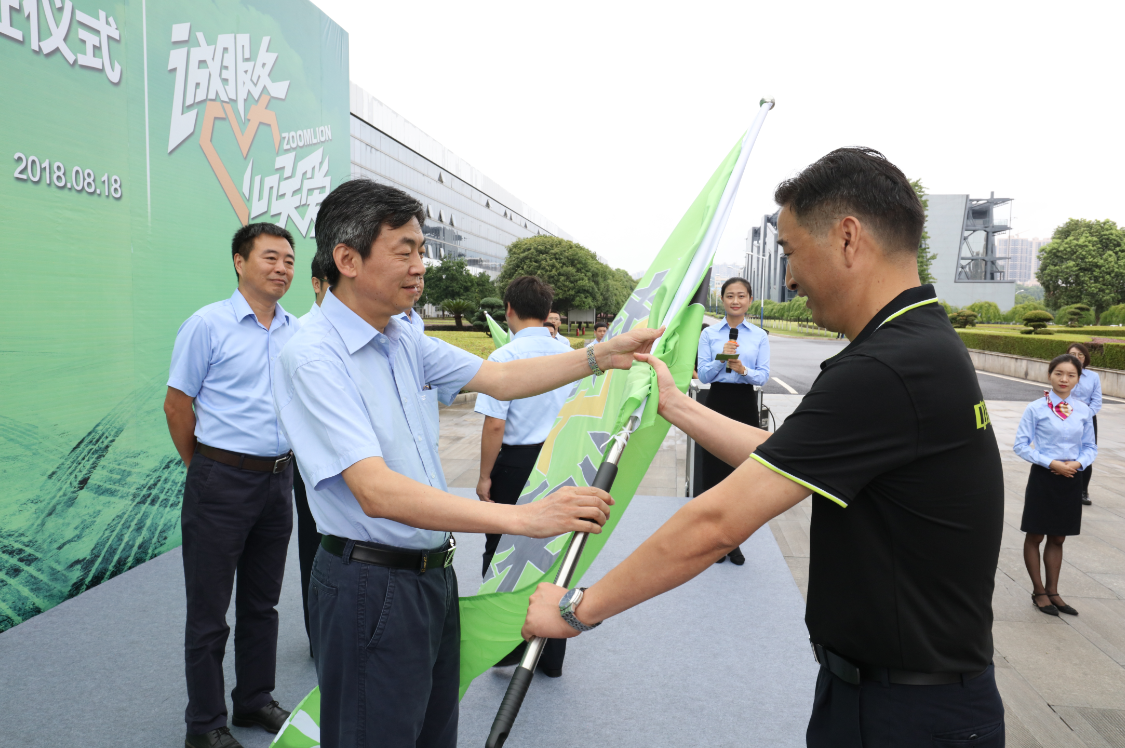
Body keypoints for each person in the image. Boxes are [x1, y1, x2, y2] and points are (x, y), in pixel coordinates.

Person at [523, 147, 1007, 748]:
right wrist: (676, 405)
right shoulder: (920, 342)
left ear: (848, 238)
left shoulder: (885, 367)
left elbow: (716, 523)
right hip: (908, 694)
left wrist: (575, 609)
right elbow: (785, 455)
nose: (791, 277)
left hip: (906, 714)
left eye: (790, 252)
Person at [272, 179, 661, 748]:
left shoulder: (400, 337)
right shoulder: (313, 356)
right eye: (404, 250)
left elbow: (500, 377)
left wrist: (600, 355)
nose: (420, 266)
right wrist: (523, 518)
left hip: (430, 576)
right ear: (347, 260)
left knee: (433, 734)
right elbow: (376, 492)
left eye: (421, 250)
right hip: (370, 584)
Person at [164, 223, 298, 748]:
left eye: (289, 260)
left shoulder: (295, 330)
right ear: (240, 262)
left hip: (278, 482)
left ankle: (254, 699)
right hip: (220, 481)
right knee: (209, 612)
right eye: (270, 258)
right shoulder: (207, 325)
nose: (281, 268)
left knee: (263, 604)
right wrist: (204, 466)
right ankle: (204, 724)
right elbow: (177, 406)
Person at [475, 275, 573, 677]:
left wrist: (485, 476)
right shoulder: (569, 354)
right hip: (560, 460)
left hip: (515, 463)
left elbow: (495, 425)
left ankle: (503, 647)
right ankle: (550, 656)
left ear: (509, 310)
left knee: (501, 549)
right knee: (555, 554)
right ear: (547, 310)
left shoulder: (504, 357)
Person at [695, 277, 770, 566]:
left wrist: (743, 370)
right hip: (717, 401)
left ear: (749, 300)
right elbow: (703, 374)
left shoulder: (759, 335)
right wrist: (721, 358)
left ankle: (733, 541)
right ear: (722, 299)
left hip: (745, 403)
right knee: (713, 470)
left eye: (741, 296)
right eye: (729, 296)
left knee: (742, 473)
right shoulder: (709, 333)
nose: (735, 301)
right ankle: (711, 540)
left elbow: (763, 376)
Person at [1014, 353, 1095, 617]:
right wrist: (1051, 463)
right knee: (1036, 535)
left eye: (1071, 375)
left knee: (1058, 537)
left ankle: (1053, 591)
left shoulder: (1084, 410)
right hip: (1044, 476)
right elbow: (1021, 445)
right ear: (1050, 375)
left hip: (1071, 477)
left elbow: (1090, 447)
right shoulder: (1036, 408)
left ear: (1078, 379)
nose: (1064, 379)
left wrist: (1078, 463)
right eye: (1059, 373)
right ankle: (1039, 591)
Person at [291, 256, 332, 659]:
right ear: (317, 285)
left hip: (360, 461)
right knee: (315, 544)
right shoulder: (299, 332)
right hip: (311, 463)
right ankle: (317, 635)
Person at [1067, 342, 1101, 505]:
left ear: (1085, 357)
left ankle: (1083, 491)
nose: (1077, 357)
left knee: (1086, 453)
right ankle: (1066, 488)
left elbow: (1096, 400)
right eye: (1073, 354)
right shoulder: (1064, 374)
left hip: (1087, 418)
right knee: (1067, 451)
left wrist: (1084, 416)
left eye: (1080, 354)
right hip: (1065, 416)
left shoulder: (1093, 377)